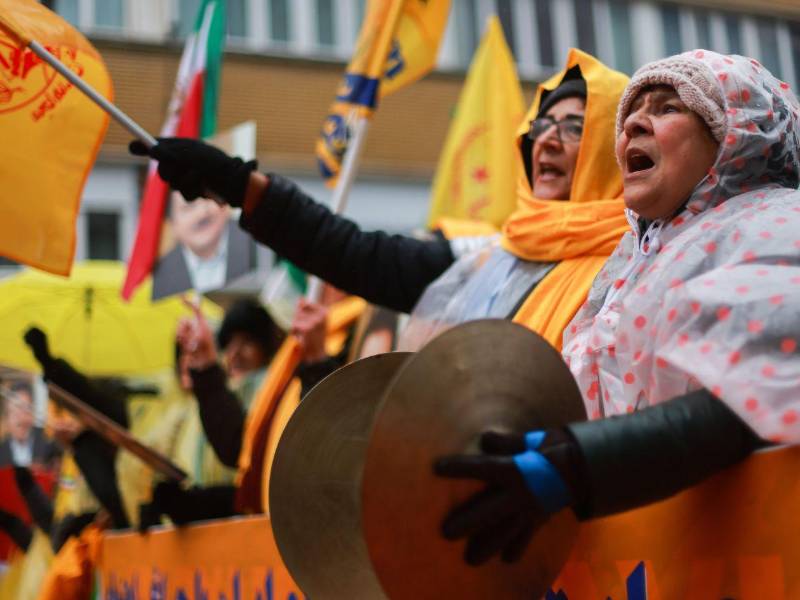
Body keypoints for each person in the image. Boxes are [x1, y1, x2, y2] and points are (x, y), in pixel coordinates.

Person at [434, 50, 800, 565]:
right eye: (632, 111)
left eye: (670, 106)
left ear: (735, 138)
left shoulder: (776, 224)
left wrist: (581, 465)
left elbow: (753, 393)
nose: (632, 122)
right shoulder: (632, 259)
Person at [128, 49, 631, 355]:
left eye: (574, 127)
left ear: (616, 149)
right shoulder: (490, 257)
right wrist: (238, 185)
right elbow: (357, 255)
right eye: (541, 125)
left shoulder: (639, 263)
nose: (546, 139)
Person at [151, 191, 255, 299]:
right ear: (173, 225)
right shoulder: (161, 275)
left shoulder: (257, 246)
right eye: (189, 206)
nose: (202, 213)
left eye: (208, 200)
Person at [0, 380, 60, 469]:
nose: (21, 417)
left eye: (24, 409)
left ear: (32, 412)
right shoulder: (2, 451)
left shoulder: (49, 441)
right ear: (7, 416)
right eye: (14, 412)